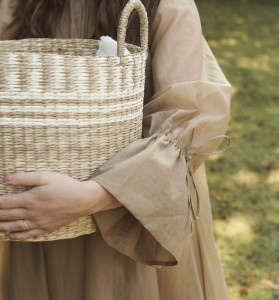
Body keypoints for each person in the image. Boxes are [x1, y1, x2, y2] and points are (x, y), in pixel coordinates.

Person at [0, 0, 231, 299]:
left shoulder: (166, 6)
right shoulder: (18, 5)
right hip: (31, 218)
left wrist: (89, 197)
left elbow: (188, 125)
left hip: (131, 222)